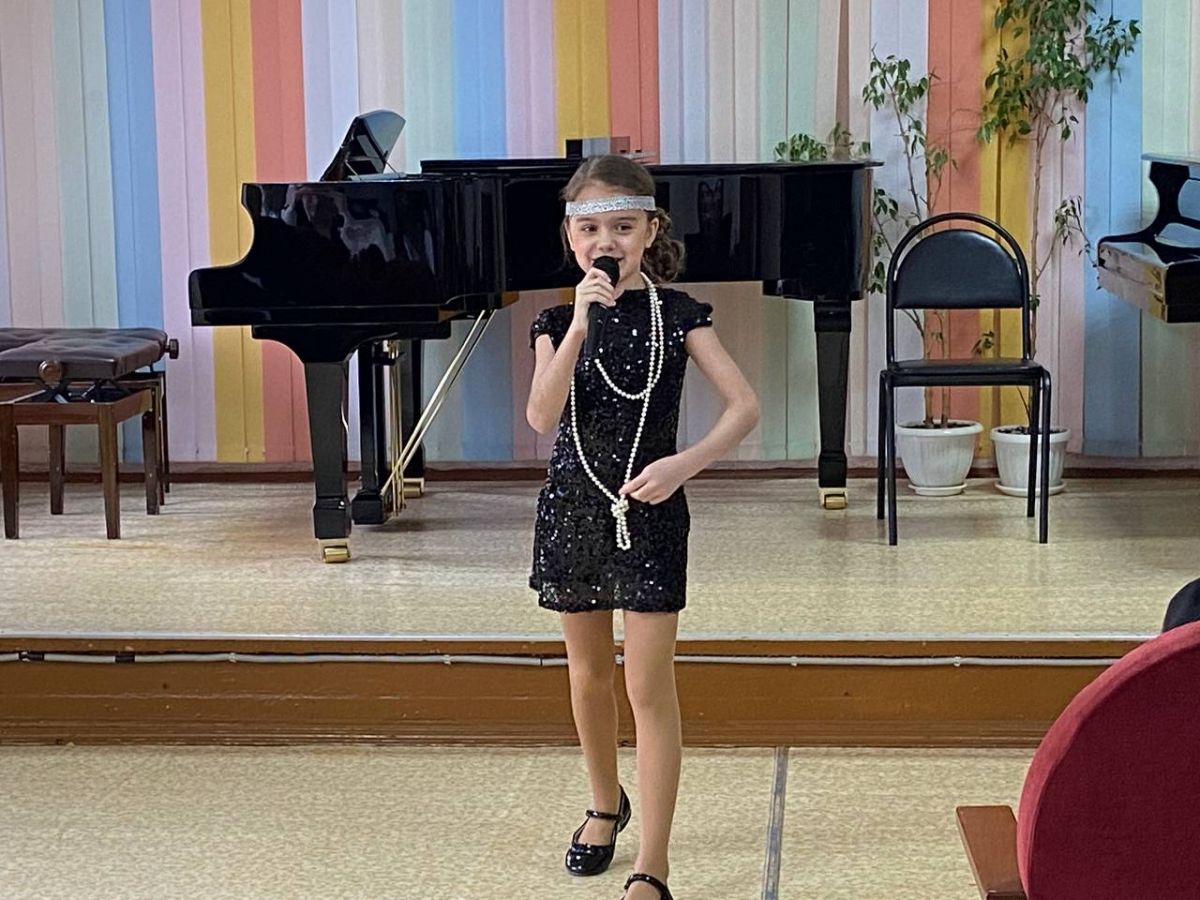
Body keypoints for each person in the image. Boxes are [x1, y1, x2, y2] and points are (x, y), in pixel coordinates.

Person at [526, 155, 760, 900]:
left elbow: (744, 407)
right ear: (571, 239)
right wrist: (579, 324)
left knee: (648, 684)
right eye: (591, 229)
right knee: (588, 675)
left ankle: (652, 860)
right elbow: (540, 416)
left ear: (650, 232)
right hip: (575, 509)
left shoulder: (680, 314)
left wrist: (684, 464)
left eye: (623, 228)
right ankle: (605, 803)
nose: (608, 243)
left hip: (651, 513)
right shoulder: (556, 321)